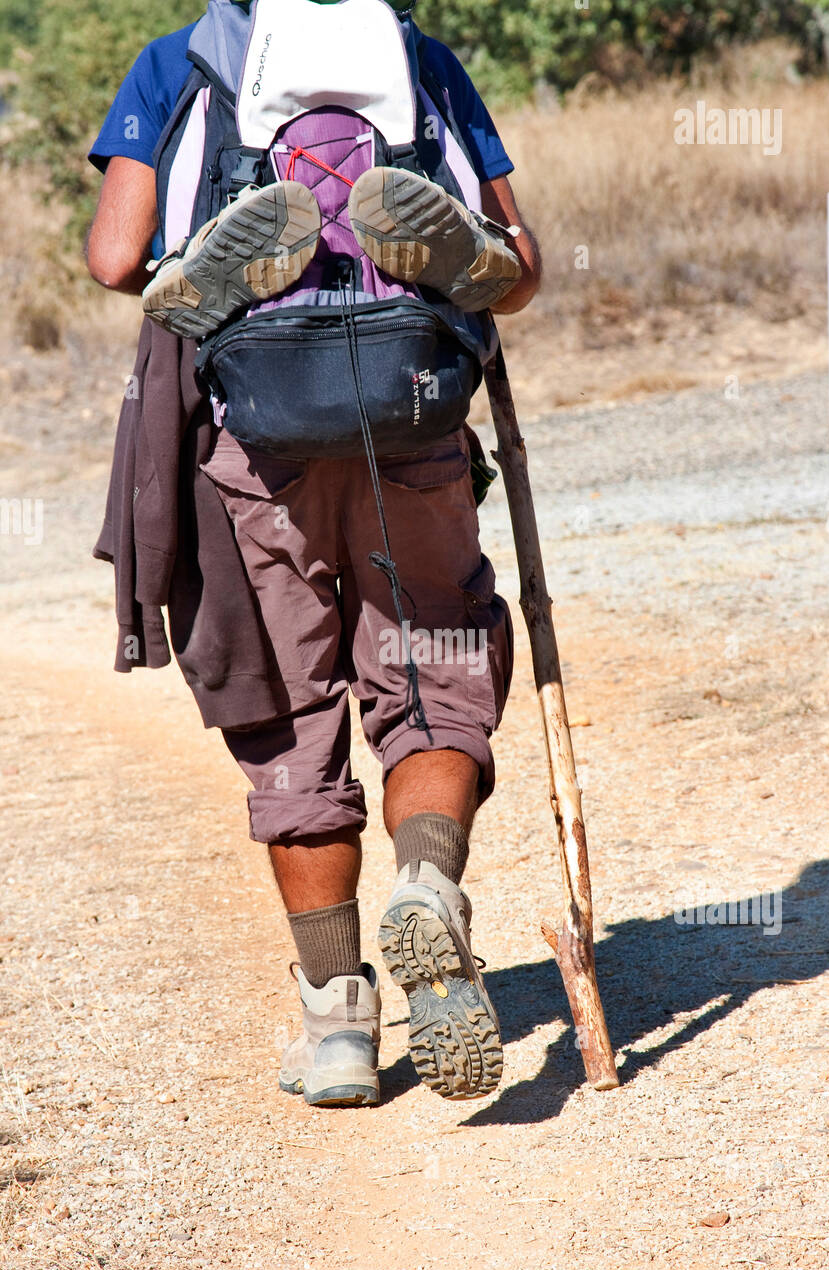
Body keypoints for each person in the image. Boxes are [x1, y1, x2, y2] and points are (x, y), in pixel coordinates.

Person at [86, 0, 541, 1107]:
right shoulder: (415, 57)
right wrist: (473, 265)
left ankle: (337, 1024)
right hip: (412, 416)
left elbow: (109, 260)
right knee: (434, 682)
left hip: (258, 440)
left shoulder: (176, 64)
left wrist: (174, 263)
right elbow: (520, 268)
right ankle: (428, 887)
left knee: (289, 715)